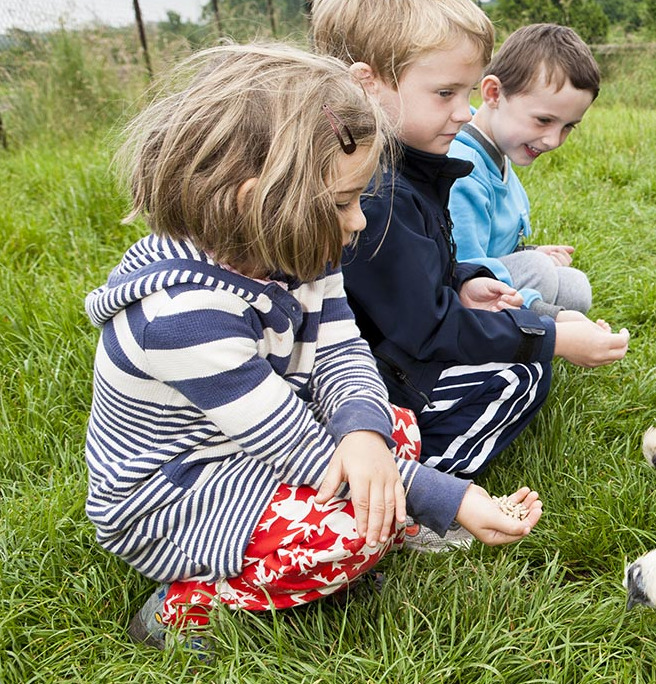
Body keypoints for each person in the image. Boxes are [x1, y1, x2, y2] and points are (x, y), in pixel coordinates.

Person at [82, 43, 542, 651]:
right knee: (347, 536)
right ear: (256, 202)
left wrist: (360, 433)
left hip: (247, 457)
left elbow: (342, 352)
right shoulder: (181, 317)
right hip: (177, 497)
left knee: (388, 428)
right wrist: (449, 498)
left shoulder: (298, 251)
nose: (358, 222)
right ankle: (185, 605)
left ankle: (389, 514)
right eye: (344, 203)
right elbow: (295, 447)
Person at [310, 0, 629, 514]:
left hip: (387, 361)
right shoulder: (379, 196)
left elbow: (424, 274)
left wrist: (465, 280)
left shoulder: (408, 166)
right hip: (372, 382)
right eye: (445, 93)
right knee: (518, 377)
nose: (463, 111)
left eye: (465, 91)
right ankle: (421, 493)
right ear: (368, 85)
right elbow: (427, 329)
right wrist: (551, 337)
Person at [448, 24, 600, 319]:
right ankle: (520, 335)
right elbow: (463, 267)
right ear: (493, 93)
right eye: (543, 120)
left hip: (490, 272)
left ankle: (529, 323)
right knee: (538, 271)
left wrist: (528, 249)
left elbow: (492, 240)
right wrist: (550, 313)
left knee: (575, 287)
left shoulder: (498, 148)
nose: (553, 140)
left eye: (568, 126)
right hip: (465, 289)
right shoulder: (463, 168)